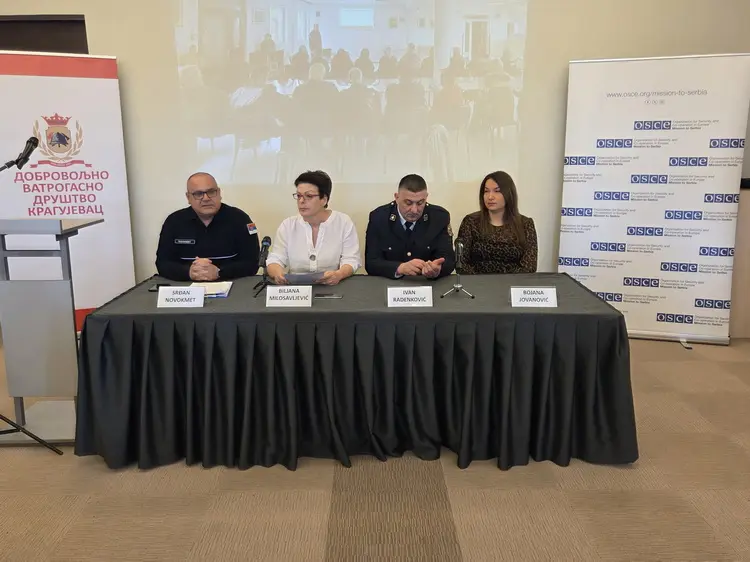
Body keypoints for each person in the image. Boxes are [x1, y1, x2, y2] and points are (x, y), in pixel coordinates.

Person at [156, 172, 260, 281]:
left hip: (232, 285)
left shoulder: (241, 219)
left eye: (211, 192)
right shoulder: (173, 222)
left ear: (219, 193)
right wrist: (188, 272)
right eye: (198, 194)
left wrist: (219, 272)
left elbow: (252, 263)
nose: (206, 198)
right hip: (186, 287)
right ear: (188, 197)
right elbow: (163, 263)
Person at [267, 170, 360, 285]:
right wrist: (277, 274)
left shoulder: (343, 222)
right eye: (299, 196)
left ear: (324, 199)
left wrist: (339, 274)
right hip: (296, 288)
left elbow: (351, 259)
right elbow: (276, 259)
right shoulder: (288, 225)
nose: (301, 201)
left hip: (332, 286)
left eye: (309, 196)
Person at [365, 174, 455, 279]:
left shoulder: (439, 218)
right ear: (397, 197)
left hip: (427, 283)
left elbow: (448, 260)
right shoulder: (379, 218)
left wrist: (437, 269)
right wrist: (399, 268)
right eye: (408, 203)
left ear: (426, 197)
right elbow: (371, 263)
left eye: (420, 203)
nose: (414, 210)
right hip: (390, 284)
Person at [456, 171, 538, 274]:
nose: (490, 197)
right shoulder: (470, 222)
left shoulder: (525, 224)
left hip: (514, 282)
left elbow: (529, 267)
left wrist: (504, 282)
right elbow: (461, 263)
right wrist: (482, 281)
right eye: (486, 191)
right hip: (477, 282)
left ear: (509, 194)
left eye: (497, 191)